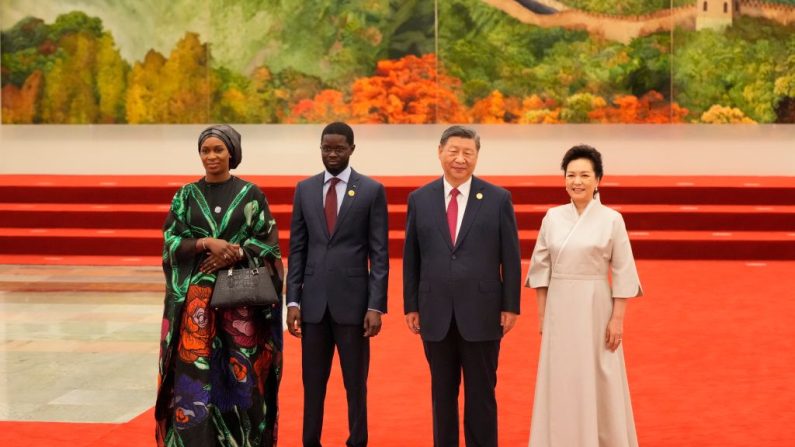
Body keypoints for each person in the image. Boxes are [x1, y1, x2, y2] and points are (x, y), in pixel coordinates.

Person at [155, 125, 283, 446]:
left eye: (218, 150)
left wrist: (236, 252)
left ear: (232, 153)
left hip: (241, 308)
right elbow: (170, 242)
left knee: (243, 379)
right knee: (194, 381)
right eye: (205, 151)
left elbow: (269, 245)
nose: (211, 156)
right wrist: (205, 243)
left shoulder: (252, 195)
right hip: (195, 312)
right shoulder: (185, 196)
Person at [403, 125, 522, 447]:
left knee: (482, 393)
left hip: (483, 313)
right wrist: (411, 305)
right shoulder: (420, 199)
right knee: (442, 394)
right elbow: (411, 256)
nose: (460, 159)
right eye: (453, 151)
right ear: (440, 151)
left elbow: (511, 257)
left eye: (468, 153)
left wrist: (510, 305)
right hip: (434, 312)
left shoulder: (497, 199)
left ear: (477, 156)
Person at [526, 145, 643, 447]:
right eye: (571, 175)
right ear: (564, 178)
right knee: (561, 377)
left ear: (598, 180)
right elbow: (540, 270)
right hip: (559, 306)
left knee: (599, 375)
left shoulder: (612, 219)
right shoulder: (552, 217)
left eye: (585, 175)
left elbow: (622, 271)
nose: (577, 181)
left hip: (596, 305)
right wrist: (542, 316)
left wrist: (617, 319)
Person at [286, 122, 389, 447]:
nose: (332, 154)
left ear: (351, 150)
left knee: (355, 384)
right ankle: (310, 441)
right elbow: (298, 248)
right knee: (312, 384)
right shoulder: (305, 189)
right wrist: (292, 301)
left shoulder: (371, 190)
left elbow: (379, 253)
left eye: (338, 148)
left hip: (354, 307)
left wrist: (375, 305)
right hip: (313, 306)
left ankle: (357, 441)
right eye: (326, 148)